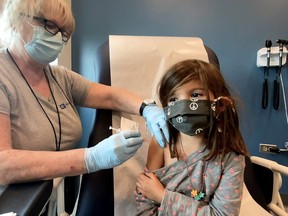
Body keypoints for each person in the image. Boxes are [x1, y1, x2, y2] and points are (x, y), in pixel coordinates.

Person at [0, 0, 169, 185]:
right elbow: (3, 165)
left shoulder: (59, 77)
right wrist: (91, 158)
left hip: (54, 196)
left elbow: (110, 96)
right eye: (49, 25)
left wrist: (146, 108)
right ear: (16, 21)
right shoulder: (4, 76)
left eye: (63, 33)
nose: (57, 38)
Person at [135, 59, 249, 215]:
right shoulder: (161, 143)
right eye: (173, 99)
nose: (183, 105)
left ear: (220, 105)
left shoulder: (230, 158)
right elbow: (144, 198)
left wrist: (162, 196)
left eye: (195, 95)